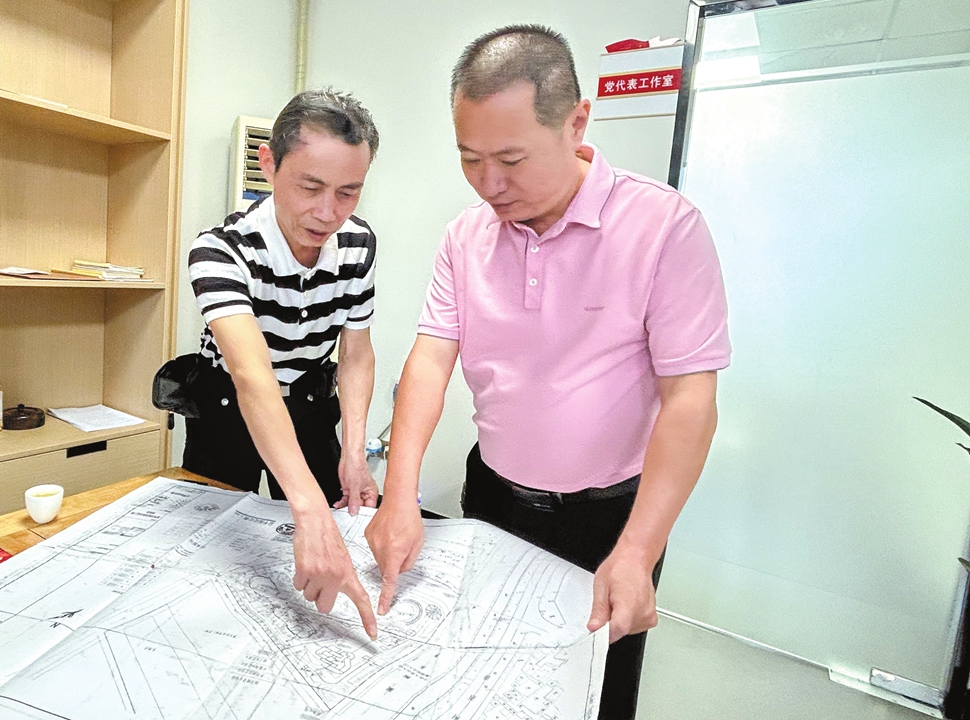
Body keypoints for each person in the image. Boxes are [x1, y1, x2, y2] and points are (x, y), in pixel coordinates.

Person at [364, 25, 730, 718]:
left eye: (510, 158)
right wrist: (401, 493)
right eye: (470, 159)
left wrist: (639, 549)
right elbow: (431, 359)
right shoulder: (465, 236)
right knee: (487, 684)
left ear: (577, 122)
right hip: (496, 500)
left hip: (613, 517)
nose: (489, 184)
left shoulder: (663, 228)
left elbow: (691, 401)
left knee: (594, 691)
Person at [184, 88, 381, 638]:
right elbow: (252, 377)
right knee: (221, 556)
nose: (327, 213)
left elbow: (356, 351)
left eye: (348, 193)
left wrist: (354, 452)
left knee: (338, 542)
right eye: (310, 187)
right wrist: (310, 511)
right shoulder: (221, 250)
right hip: (230, 411)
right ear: (269, 164)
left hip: (313, 406)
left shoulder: (358, 244)